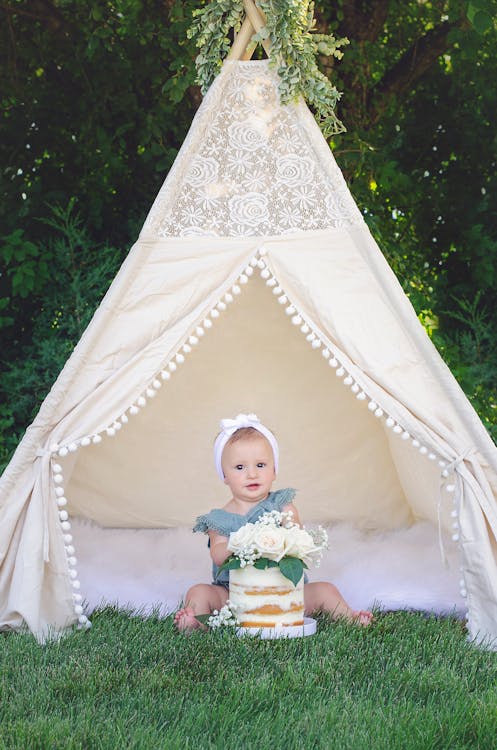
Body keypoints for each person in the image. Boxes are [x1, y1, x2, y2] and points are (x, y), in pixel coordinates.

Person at [174, 413, 373, 631]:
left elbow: (297, 537)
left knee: (326, 590)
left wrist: (284, 538)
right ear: (224, 475)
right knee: (199, 592)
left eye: (260, 465)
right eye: (240, 467)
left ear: (274, 470)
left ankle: (349, 618)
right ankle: (194, 621)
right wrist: (246, 545)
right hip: (235, 596)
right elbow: (218, 554)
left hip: (286, 593)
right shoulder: (218, 519)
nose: (252, 474)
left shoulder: (282, 506)